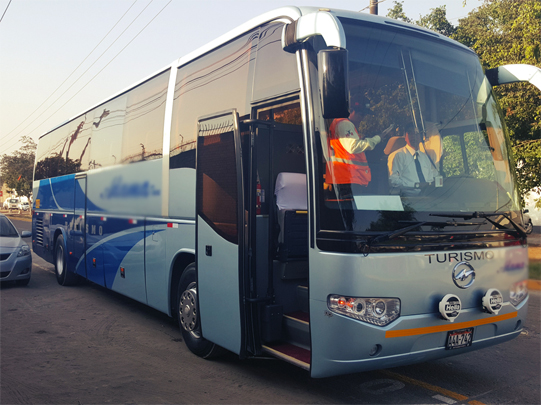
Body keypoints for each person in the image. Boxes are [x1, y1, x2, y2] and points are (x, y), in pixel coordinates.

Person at [325, 97, 394, 198]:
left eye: (364, 115)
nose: (362, 118)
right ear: (351, 111)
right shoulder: (345, 123)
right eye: (361, 114)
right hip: (346, 180)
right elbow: (353, 147)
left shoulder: (340, 123)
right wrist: (377, 138)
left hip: (344, 178)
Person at [388, 123, 440, 195]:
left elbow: (431, 177)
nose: (413, 136)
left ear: (421, 137)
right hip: (407, 198)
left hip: (427, 197)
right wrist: (415, 186)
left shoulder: (425, 157)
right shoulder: (398, 155)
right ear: (405, 137)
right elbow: (393, 181)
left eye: (416, 133)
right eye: (410, 133)